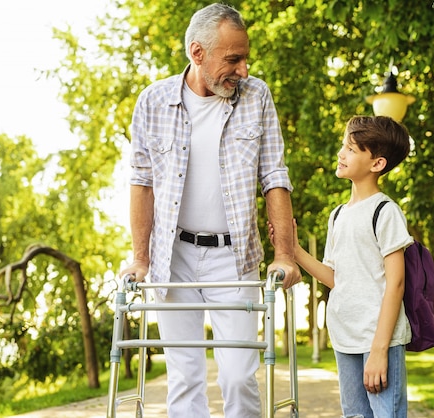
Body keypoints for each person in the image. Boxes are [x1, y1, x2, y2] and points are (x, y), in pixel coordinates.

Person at [120, 3, 302, 417]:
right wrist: (140, 259)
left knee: (238, 376)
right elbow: (142, 181)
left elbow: (274, 175)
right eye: (233, 59)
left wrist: (286, 255)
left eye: (244, 58)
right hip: (174, 257)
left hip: (233, 257)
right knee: (184, 379)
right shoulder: (153, 101)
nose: (243, 70)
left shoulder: (257, 95)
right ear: (197, 52)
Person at [281, 115, 413, 417]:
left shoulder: (385, 211)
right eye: (344, 146)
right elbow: (336, 278)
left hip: (379, 339)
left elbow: (396, 284)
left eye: (351, 149)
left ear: (376, 163)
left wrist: (379, 350)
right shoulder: (338, 215)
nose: (341, 154)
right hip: (345, 336)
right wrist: (295, 250)